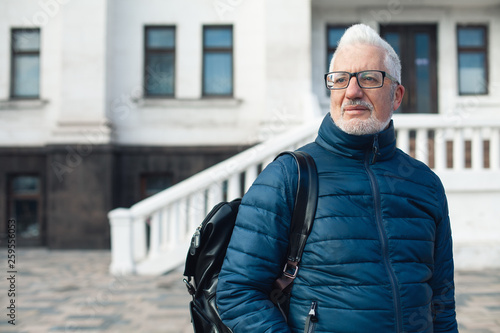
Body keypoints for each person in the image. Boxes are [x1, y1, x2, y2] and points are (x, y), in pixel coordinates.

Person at [216, 23, 458, 332]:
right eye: (340, 79)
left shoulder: (425, 184)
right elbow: (238, 292)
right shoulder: (288, 177)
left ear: (396, 95)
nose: (352, 92)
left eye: (369, 79)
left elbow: (442, 302)